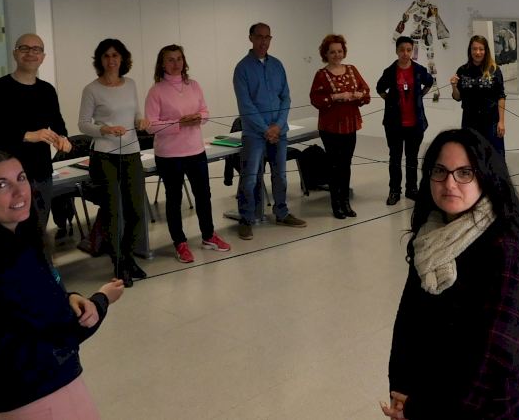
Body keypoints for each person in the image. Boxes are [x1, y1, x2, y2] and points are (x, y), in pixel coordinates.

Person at [0, 149, 124, 419]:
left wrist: (68, 297)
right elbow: (64, 329)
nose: (20, 191)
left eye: (21, 178)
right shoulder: (4, 259)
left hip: (11, 395)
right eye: (1, 185)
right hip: (40, 395)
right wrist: (102, 299)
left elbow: (34, 308)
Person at [383, 128, 519, 419]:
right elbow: (408, 319)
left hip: (482, 407)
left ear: (485, 177)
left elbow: (497, 357)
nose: (449, 183)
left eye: (464, 173)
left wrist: (421, 409)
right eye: (440, 171)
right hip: (428, 394)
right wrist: (400, 384)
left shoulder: (506, 246)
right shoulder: (430, 236)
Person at [146, 44, 232, 263]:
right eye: (170, 59)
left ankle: (208, 236)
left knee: (203, 195)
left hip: (196, 150)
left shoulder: (193, 85)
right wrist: (179, 123)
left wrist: (199, 118)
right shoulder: (156, 91)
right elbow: (150, 126)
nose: (176, 63)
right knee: (174, 200)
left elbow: (205, 112)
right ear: (162, 64)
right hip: (169, 155)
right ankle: (180, 243)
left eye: (179, 59)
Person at [0, 33, 71, 230]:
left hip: (42, 174)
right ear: (15, 53)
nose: (30, 53)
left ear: (43, 57)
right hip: (8, 176)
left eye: (36, 49)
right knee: (11, 233)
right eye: (24, 48)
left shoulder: (47, 90)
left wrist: (63, 139)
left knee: (38, 231)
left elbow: (58, 124)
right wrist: (27, 135)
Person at [77, 38, 148, 285]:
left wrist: (141, 121)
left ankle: (128, 257)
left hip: (131, 152)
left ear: (122, 58)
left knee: (136, 210)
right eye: (106, 56)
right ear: (100, 60)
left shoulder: (131, 84)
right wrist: (104, 129)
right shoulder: (91, 89)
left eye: (115, 55)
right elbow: (83, 124)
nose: (111, 60)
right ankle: (118, 264)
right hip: (104, 155)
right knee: (113, 213)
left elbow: (135, 113)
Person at [232, 22, 307, 240]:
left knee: (280, 176)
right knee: (250, 178)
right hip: (254, 134)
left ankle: (281, 213)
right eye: (259, 37)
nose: (263, 41)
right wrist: (266, 129)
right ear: (251, 38)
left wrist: (278, 125)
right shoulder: (242, 69)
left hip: (279, 131)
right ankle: (246, 219)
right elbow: (245, 106)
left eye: (267, 37)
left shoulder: (277, 65)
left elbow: (286, 98)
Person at [309, 34, 371, 219]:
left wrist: (358, 95)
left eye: (339, 51)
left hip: (350, 124)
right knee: (334, 165)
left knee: (346, 164)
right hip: (330, 126)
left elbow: (366, 91)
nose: (337, 55)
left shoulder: (351, 69)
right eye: (332, 52)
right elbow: (315, 99)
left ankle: (345, 202)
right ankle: (336, 203)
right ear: (325, 54)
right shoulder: (321, 74)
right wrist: (335, 97)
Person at [376, 36, 434, 206]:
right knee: (395, 158)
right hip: (394, 124)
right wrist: (390, 101)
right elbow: (380, 88)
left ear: (412, 51)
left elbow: (429, 82)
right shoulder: (390, 71)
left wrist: (420, 95)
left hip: (415, 123)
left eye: (409, 50)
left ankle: (411, 189)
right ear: (396, 51)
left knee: (412, 158)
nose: (405, 53)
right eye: (402, 50)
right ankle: (394, 190)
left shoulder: (419, 70)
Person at [450, 35, 506, 155]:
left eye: (481, 49)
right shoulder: (462, 70)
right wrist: (454, 86)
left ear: (486, 51)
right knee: (471, 155)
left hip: (491, 121)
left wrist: (501, 122)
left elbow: (501, 96)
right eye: (474, 49)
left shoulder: (494, 70)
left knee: (493, 156)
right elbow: (457, 97)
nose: (478, 52)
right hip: (469, 121)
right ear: (470, 51)